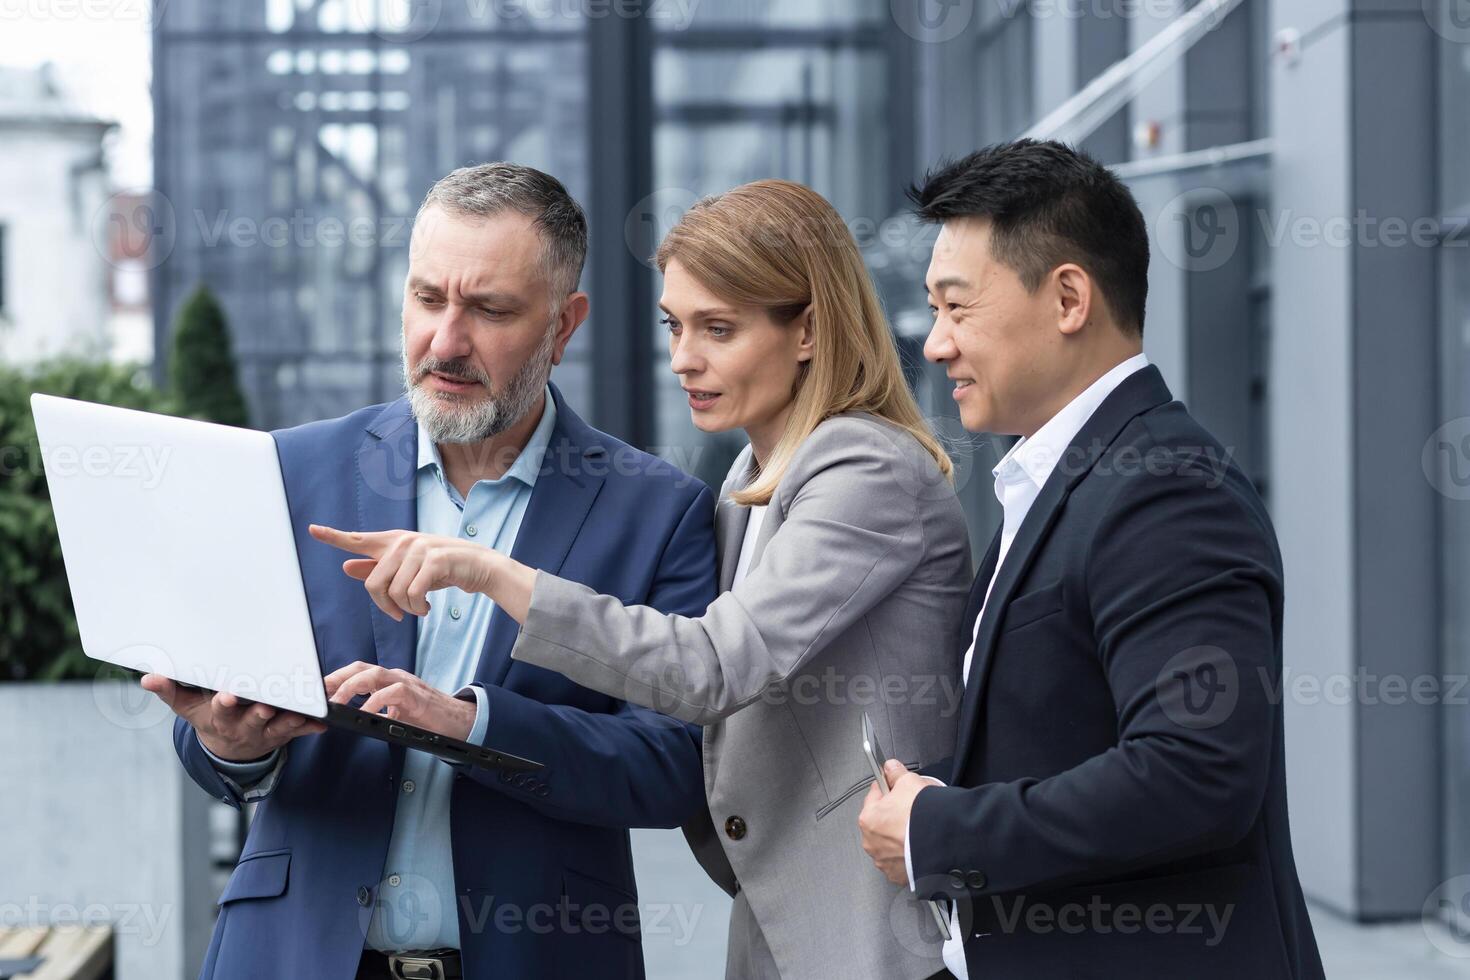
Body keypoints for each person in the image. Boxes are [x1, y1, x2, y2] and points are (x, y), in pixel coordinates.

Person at [313, 179, 974, 979]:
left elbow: (711, 667)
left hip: (870, 935)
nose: (683, 359)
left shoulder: (865, 467)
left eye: (718, 329)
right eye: (675, 324)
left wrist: (489, 572)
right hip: (790, 918)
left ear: (807, 330)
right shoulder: (749, 479)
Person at [142, 162, 716, 980]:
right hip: (293, 957)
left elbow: (673, 769)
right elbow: (210, 737)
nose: (446, 342)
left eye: (489, 310)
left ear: (564, 324)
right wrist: (229, 743)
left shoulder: (659, 511)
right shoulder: (287, 471)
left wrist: (471, 725)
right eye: (427, 299)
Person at [856, 139, 1326, 980]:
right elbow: (1061, 735)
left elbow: (1196, 773)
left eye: (957, 308)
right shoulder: (1066, 479)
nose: (933, 345)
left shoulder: (1168, 488)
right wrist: (931, 789)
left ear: (1069, 297)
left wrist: (942, 831)